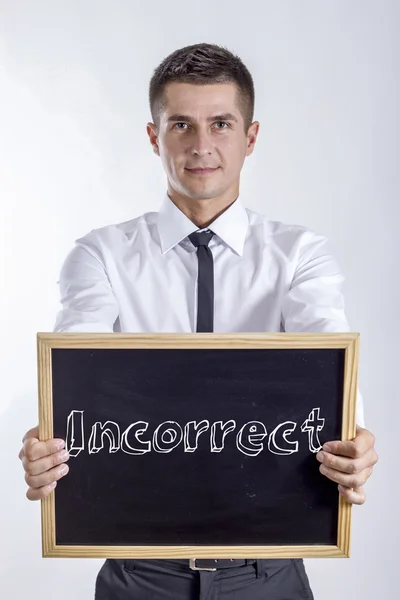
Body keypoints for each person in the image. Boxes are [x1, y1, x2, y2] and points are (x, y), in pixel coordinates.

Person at [18, 42, 378, 599]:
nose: (202, 145)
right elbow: (74, 377)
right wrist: (50, 442)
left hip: (268, 573)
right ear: (153, 136)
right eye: (181, 124)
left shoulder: (300, 255)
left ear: (250, 137)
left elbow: (329, 359)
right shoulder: (101, 256)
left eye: (221, 124)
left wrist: (355, 439)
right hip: (141, 574)